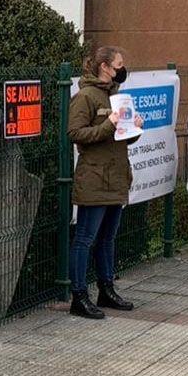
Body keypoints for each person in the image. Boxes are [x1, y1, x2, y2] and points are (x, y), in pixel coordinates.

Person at [68, 46, 136, 319]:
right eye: (119, 63)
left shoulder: (117, 96)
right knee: (85, 238)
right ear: (105, 67)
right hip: (94, 179)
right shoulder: (85, 97)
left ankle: (106, 289)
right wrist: (109, 124)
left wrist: (134, 129)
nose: (123, 68)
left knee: (108, 238)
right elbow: (75, 133)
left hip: (117, 177)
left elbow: (122, 137)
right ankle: (79, 295)